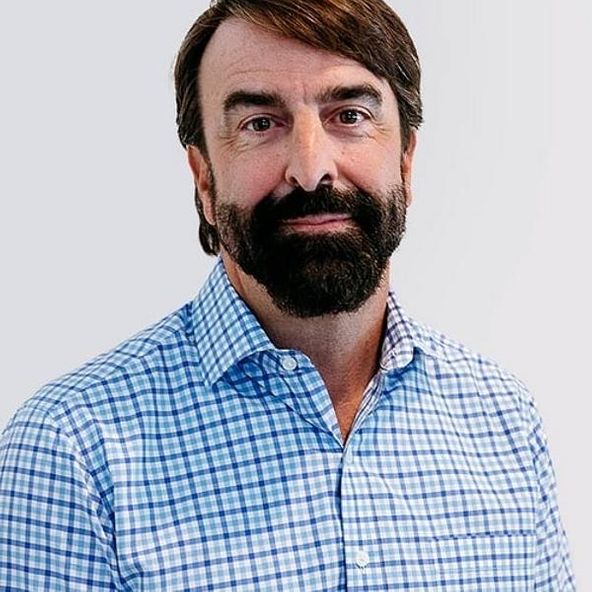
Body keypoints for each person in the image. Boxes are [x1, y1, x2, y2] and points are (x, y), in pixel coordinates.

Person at [0, 0, 575, 589]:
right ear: (204, 179)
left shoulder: (502, 420)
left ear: (406, 161)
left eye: (349, 115)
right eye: (260, 123)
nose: (310, 167)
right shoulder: (71, 451)